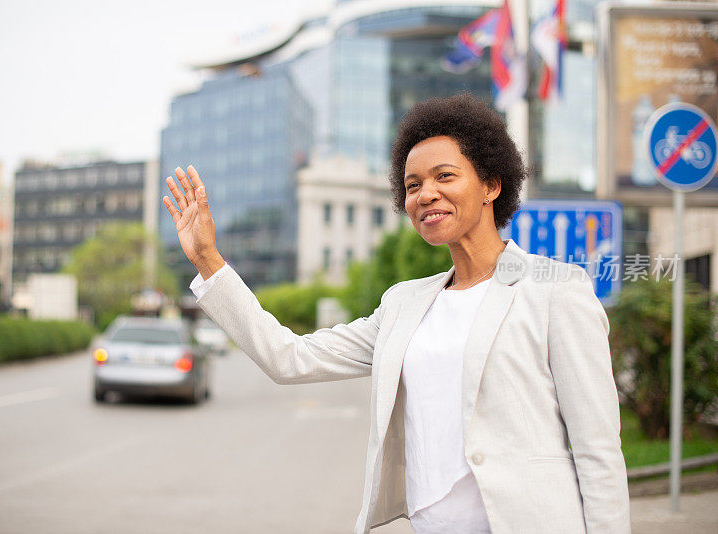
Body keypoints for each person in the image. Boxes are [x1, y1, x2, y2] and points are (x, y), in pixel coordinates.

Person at [162, 94, 630, 534]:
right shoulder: (404, 304)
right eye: (413, 185)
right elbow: (290, 358)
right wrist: (209, 261)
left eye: (444, 177)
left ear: (491, 184)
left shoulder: (555, 291)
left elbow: (598, 451)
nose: (425, 194)